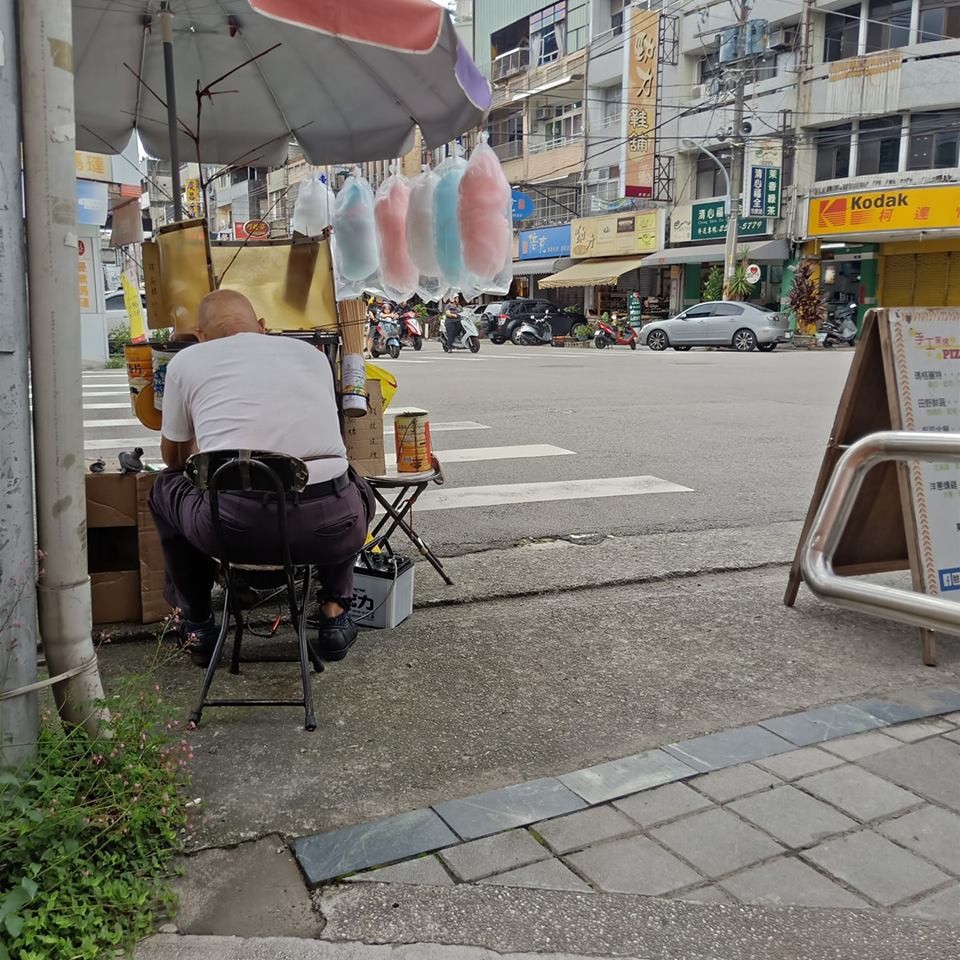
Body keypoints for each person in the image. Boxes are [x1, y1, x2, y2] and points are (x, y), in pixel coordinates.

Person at [148, 289, 373, 666]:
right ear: (263, 328)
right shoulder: (312, 356)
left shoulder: (187, 361)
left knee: (164, 489)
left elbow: (172, 460)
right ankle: (334, 612)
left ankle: (198, 624)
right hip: (333, 527)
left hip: (235, 531)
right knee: (351, 484)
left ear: (201, 336)